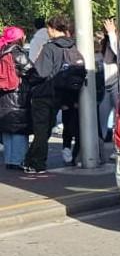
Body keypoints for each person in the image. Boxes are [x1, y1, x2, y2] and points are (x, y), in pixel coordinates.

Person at [23, 14, 85, 174]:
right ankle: (31, 160)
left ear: (52, 28)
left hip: (44, 94)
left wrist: (29, 77)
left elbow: (41, 73)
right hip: (62, 95)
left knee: (41, 130)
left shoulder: (50, 48)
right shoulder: (73, 47)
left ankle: (36, 163)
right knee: (47, 128)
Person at [0, 26, 33, 170]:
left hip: (3, 95)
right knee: (19, 128)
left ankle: (9, 159)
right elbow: (31, 71)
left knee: (7, 128)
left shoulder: (2, 51)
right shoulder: (17, 52)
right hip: (17, 95)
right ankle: (19, 160)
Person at [98, 18, 119, 142]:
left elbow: (118, 52)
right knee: (103, 115)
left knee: (118, 114)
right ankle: (105, 139)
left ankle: (116, 143)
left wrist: (112, 33)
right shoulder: (105, 42)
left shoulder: (117, 40)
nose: (106, 28)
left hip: (116, 82)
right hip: (106, 84)